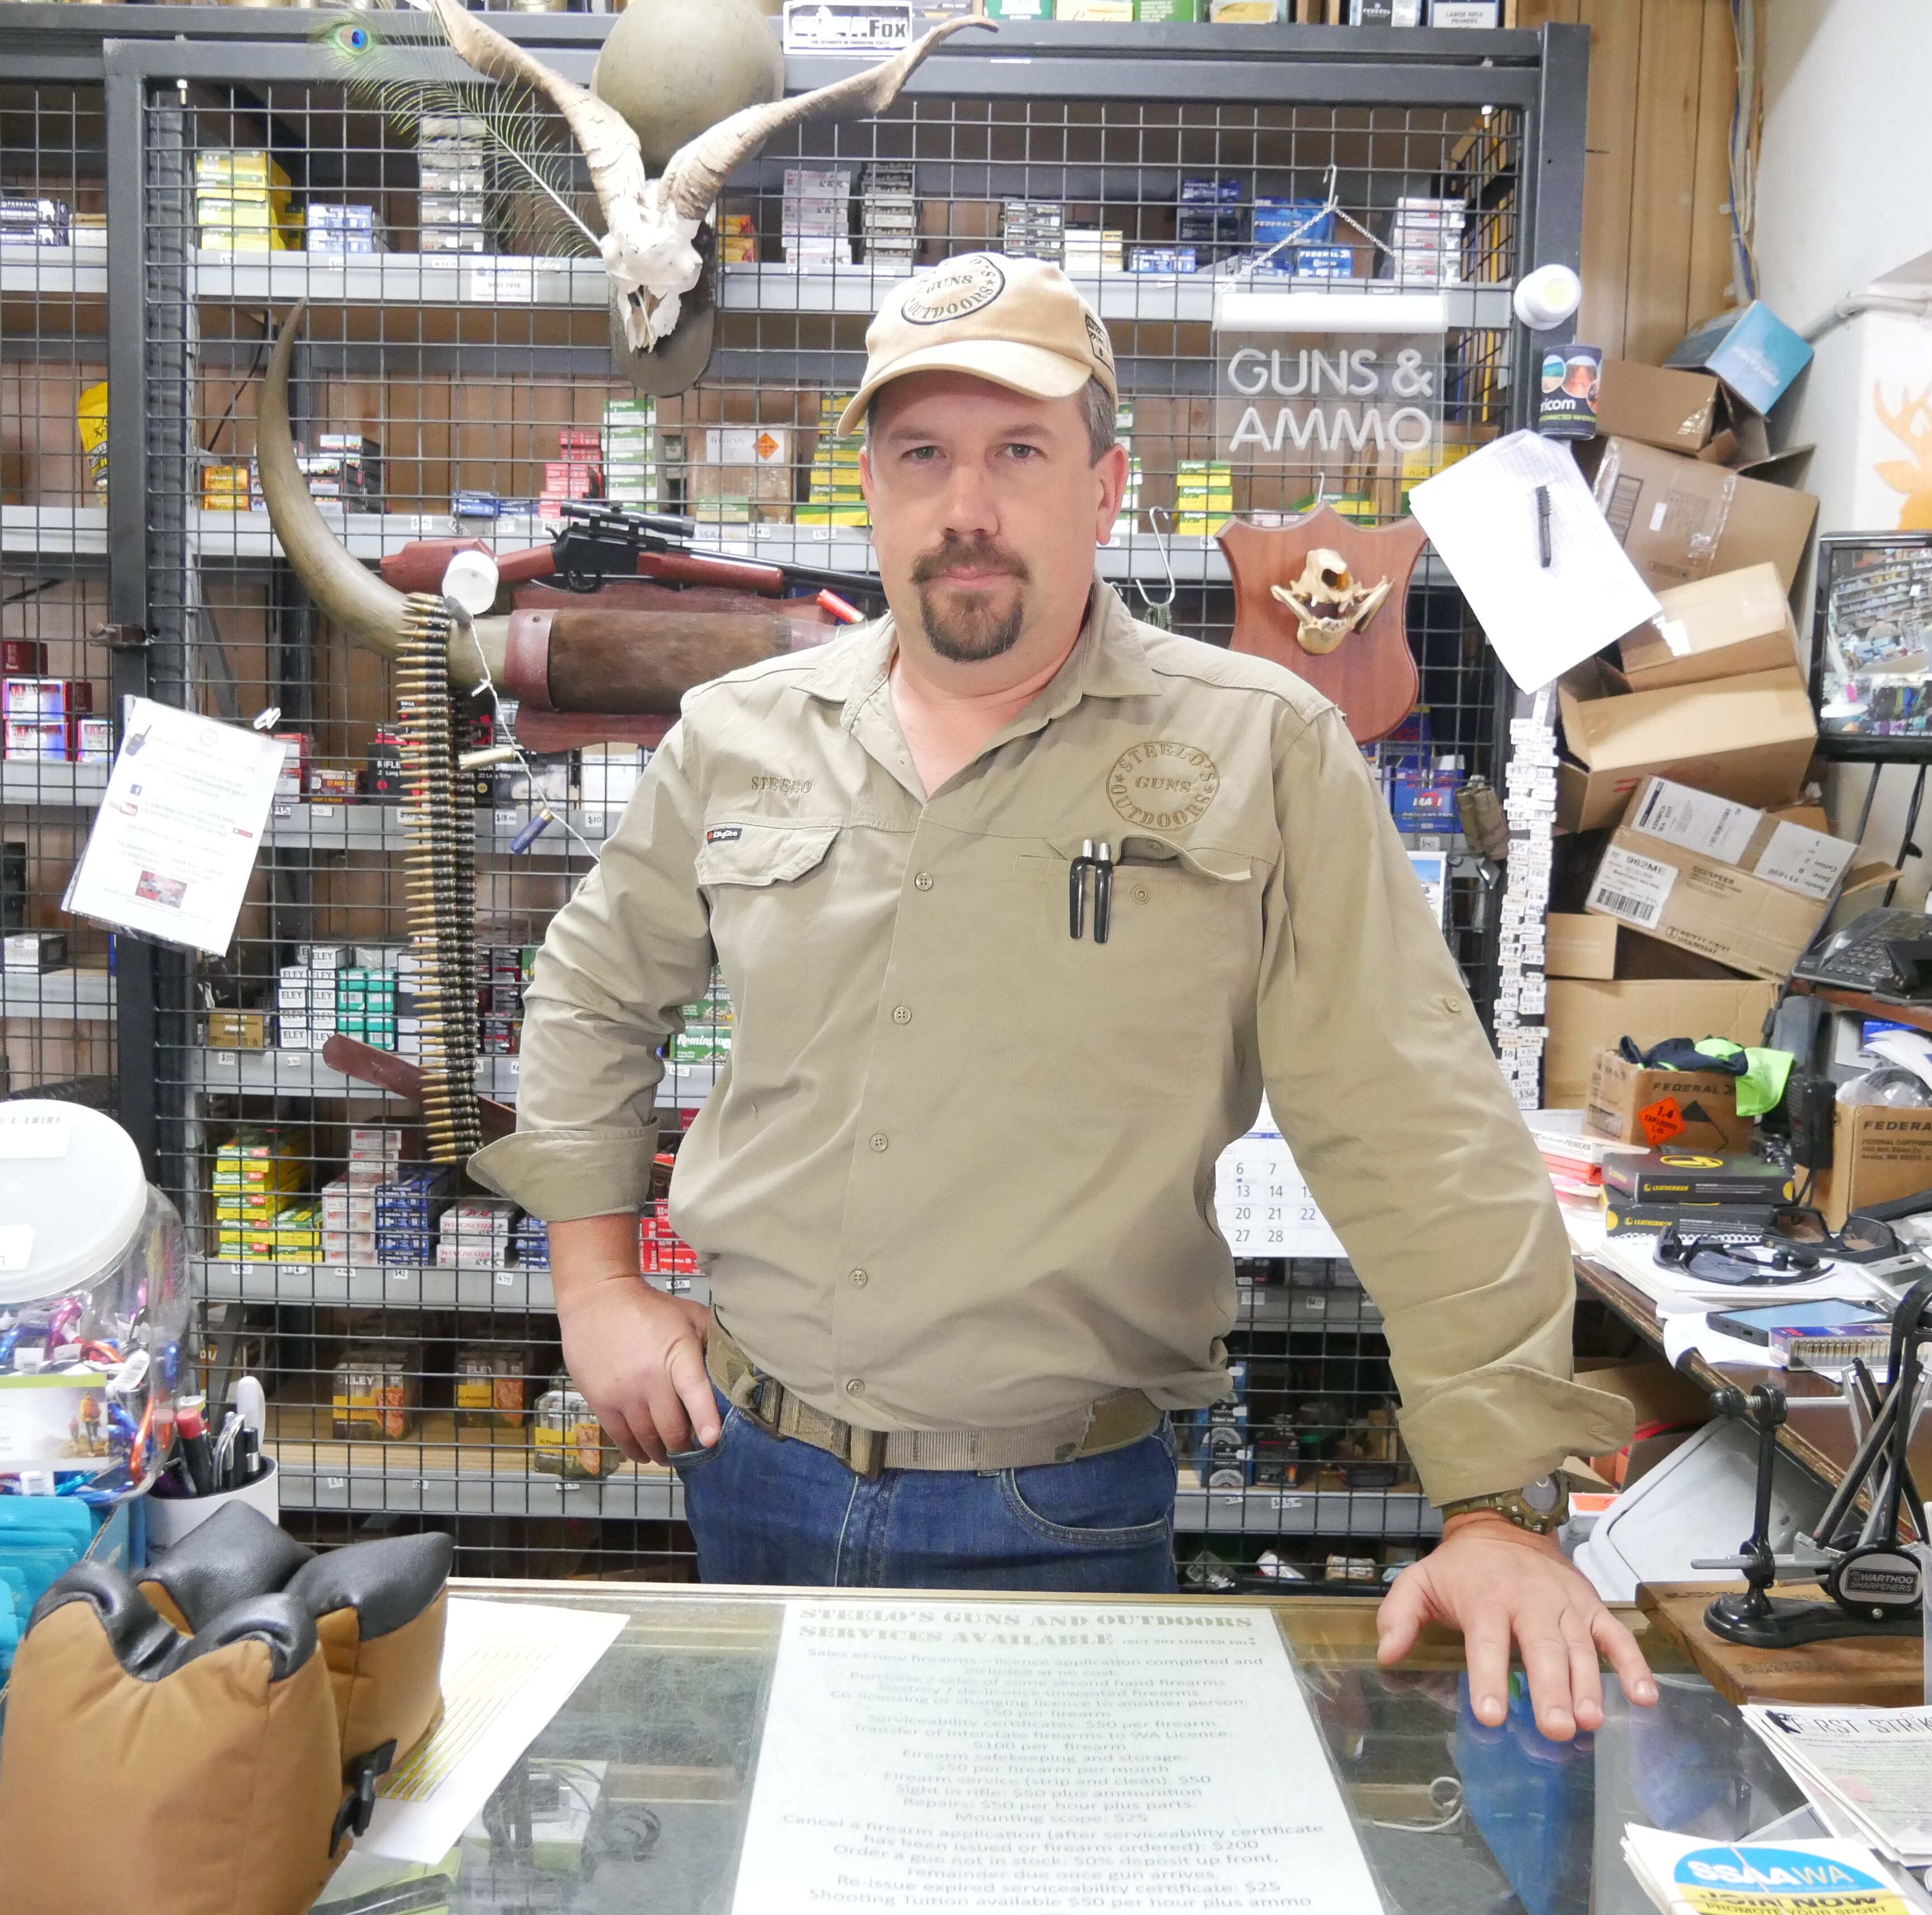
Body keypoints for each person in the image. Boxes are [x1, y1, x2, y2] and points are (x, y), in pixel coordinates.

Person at [471, 254, 1658, 1740]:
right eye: (923, 455)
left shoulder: (1263, 751)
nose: (966, 506)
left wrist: (1498, 1509)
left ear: (1105, 489)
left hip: (1061, 1510)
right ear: (872, 490)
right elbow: (591, 996)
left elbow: (1416, 1124)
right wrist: (593, 1288)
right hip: (749, 1466)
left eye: (1019, 453)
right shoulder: (735, 736)